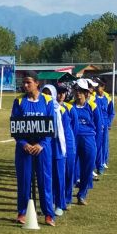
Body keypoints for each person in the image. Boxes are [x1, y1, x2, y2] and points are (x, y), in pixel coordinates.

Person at [11, 74, 56, 226]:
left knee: (45, 180)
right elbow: (15, 127)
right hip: (24, 149)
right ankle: (22, 212)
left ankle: (48, 214)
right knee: (24, 180)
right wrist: (23, 143)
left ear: (37, 83)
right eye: (23, 83)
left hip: (42, 149)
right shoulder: (18, 101)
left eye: (28, 82)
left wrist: (42, 144)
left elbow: (51, 126)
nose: (25, 85)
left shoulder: (48, 101)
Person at [71, 79, 101, 205]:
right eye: (76, 90)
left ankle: (82, 194)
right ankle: (66, 197)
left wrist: (96, 145)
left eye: (81, 91)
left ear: (86, 93)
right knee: (70, 168)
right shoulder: (69, 106)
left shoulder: (92, 107)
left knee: (87, 168)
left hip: (88, 139)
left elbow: (99, 127)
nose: (78, 93)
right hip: (73, 139)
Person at [42, 85, 69, 217]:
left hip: (57, 145)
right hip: (44, 146)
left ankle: (60, 204)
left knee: (59, 176)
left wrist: (65, 148)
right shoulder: (41, 109)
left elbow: (67, 131)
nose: (46, 96)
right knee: (47, 176)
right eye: (44, 93)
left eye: (49, 93)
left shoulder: (61, 110)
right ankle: (49, 202)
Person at [57, 85, 78, 211]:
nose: (61, 95)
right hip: (56, 144)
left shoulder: (70, 108)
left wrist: (70, 141)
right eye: (59, 93)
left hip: (69, 143)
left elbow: (75, 128)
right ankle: (57, 200)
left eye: (63, 93)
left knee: (69, 171)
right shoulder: (51, 107)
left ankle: (67, 198)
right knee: (59, 173)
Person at [94, 79, 114, 174]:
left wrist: (109, 122)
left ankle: (104, 161)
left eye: (98, 86)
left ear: (103, 87)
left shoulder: (107, 98)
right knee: (97, 144)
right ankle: (98, 163)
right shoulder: (93, 97)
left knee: (104, 143)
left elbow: (111, 112)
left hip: (105, 124)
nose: (96, 88)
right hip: (96, 124)